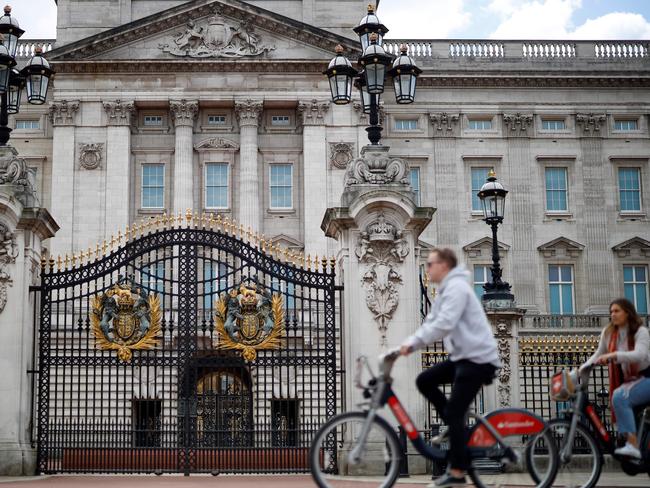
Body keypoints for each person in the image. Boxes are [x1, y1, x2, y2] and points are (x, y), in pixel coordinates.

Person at [400, 248, 500, 487]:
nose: (427, 268)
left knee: (455, 412)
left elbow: (445, 323)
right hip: (463, 358)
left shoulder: (457, 288)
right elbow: (431, 322)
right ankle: (453, 427)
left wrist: (412, 344)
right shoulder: (445, 291)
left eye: (430, 264)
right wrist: (400, 348)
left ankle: (457, 471)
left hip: (478, 360)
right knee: (424, 380)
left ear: (444, 265)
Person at [580, 298, 650, 459]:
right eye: (611, 311)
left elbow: (640, 354)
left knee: (619, 396)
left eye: (617, 311)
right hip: (632, 381)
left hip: (646, 377)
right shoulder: (609, 333)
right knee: (621, 397)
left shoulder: (641, 332)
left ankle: (632, 445)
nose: (613, 314)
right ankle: (629, 440)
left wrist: (613, 355)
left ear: (627, 312)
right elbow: (598, 354)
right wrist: (581, 370)